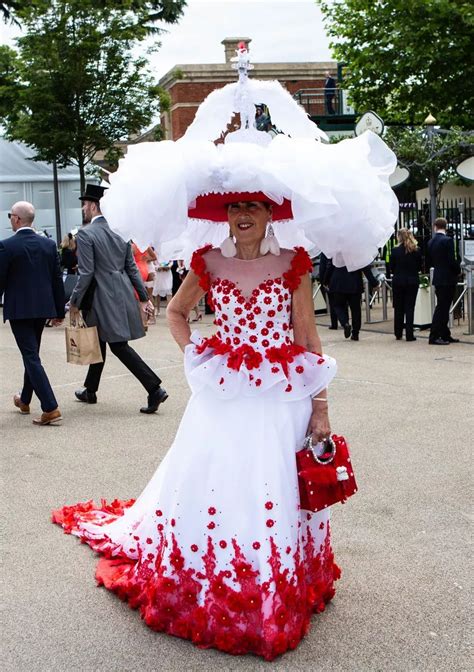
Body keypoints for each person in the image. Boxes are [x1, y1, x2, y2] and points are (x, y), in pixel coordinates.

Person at [51, 49, 399, 660]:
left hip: (283, 392)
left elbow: (310, 340)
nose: (241, 214)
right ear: (224, 212)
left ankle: (277, 580)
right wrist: (198, 356)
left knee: (277, 484)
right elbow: (179, 314)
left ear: (269, 212)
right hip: (225, 390)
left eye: (253, 206)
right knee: (220, 482)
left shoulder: (293, 265)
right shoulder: (206, 264)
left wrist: (320, 409)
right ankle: (223, 577)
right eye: (234, 205)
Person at [69, 184, 168, 413]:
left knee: (117, 345)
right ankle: (90, 389)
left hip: (99, 295)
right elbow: (131, 267)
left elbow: (86, 273)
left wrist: (74, 301)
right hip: (121, 291)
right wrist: (143, 297)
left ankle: (154, 388)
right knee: (99, 340)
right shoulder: (120, 231)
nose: (83, 208)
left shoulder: (85, 234)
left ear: (93, 206)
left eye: (85, 204)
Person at [0, 201, 64, 425]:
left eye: (10, 216)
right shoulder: (48, 245)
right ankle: (25, 400)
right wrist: (59, 311)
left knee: (30, 356)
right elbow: (57, 279)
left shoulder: (6, 246)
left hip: (19, 309)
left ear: (17, 219)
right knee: (32, 354)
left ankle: (50, 406)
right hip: (42, 308)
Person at [323, 261, 379, 341]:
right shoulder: (356, 252)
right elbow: (366, 269)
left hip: (338, 283)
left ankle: (345, 323)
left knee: (338, 306)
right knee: (356, 309)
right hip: (354, 283)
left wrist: (325, 281)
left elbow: (330, 267)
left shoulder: (337, 251)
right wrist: (374, 283)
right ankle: (355, 333)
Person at [428, 217, 461, 345]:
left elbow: (430, 260)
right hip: (448, 278)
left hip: (438, 277)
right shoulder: (447, 241)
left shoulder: (431, 242)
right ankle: (434, 335)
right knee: (442, 308)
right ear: (445, 226)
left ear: (435, 226)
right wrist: (457, 271)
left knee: (443, 307)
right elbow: (451, 260)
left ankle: (445, 334)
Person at [390, 228, 422, 341]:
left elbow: (391, 268)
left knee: (398, 307)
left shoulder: (394, 251)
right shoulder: (416, 250)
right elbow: (419, 267)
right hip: (412, 281)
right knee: (410, 308)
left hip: (398, 281)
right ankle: (409, 334)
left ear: (399, 237)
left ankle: (398, 332)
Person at [318, 252, 338, 329]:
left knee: (332, 303)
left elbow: (323, 268)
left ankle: (334, 323)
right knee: (342, 303)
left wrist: (323, 281)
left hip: (330, 281)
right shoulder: (341, 250)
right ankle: (345, 322)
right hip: (341, 280)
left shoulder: (325, 252)